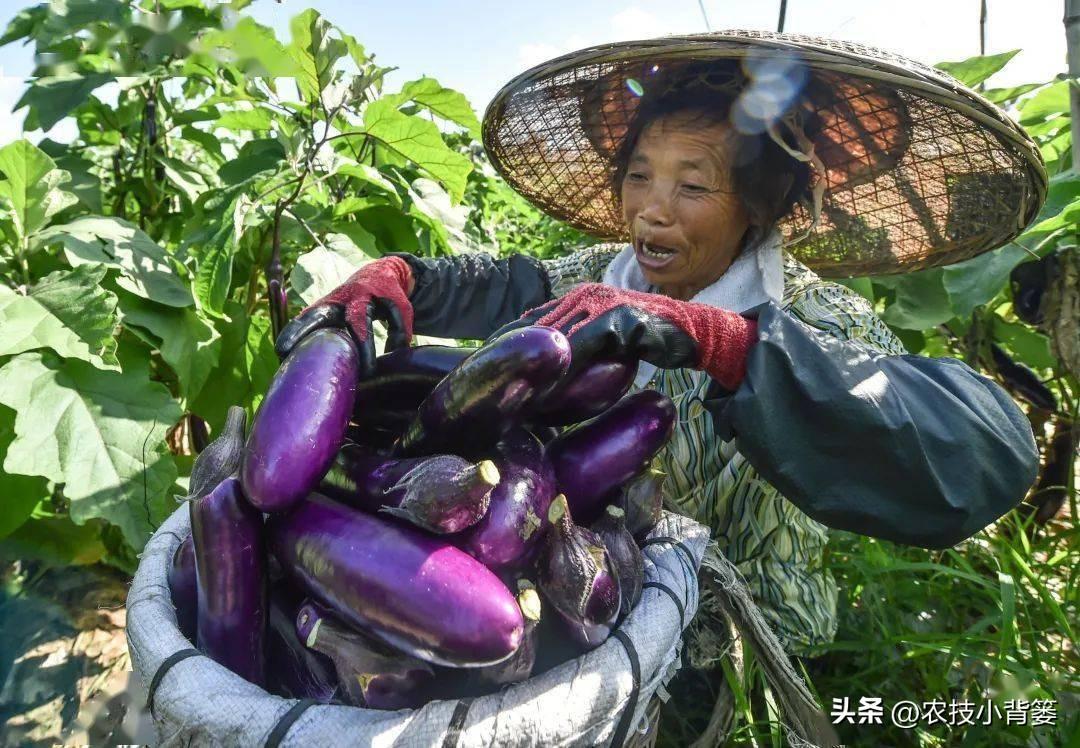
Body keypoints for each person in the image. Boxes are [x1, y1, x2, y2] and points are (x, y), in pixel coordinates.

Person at [276, 32, 1045, 742]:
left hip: (725, 649)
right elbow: (509, 286)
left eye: (693, 186)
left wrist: (722, 342)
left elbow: (989, 455)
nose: (652, 209)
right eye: (639, 175)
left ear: (760, 207)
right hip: (571, 614)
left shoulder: (818, 317)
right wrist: (404, 276)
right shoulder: (599, 282)